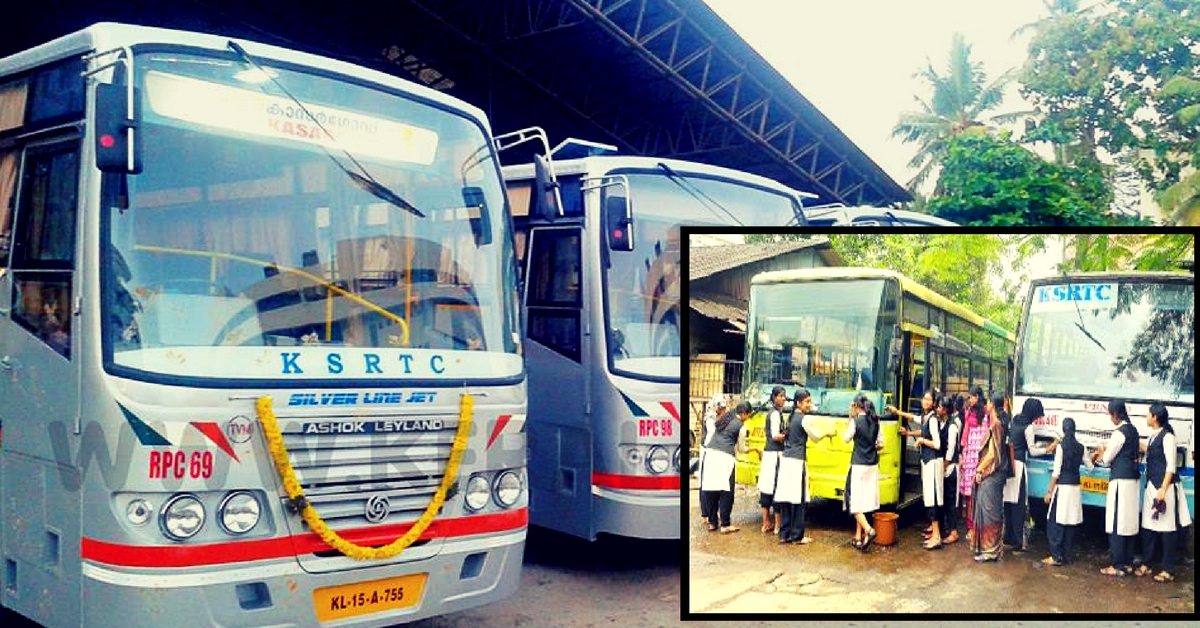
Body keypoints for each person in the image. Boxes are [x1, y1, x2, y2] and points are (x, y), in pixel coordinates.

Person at [1133, 403, 1192, 582]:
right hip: (1152, 486)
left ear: (1155, 417)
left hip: (1164, 489)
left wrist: (1163, 490)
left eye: (1148, 414)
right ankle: (1147, 563)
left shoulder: (1168, 438)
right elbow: (1150, 451)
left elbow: (1171, 467)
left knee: (1168, 530)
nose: (1146, 416)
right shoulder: (1153, 436)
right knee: (1149, 528)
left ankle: (1169, 569)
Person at [775, 388, 833, 545]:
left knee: (786, 498)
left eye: (810, 401)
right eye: (807, 401)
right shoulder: (804, 419)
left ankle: (784, 534)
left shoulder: (791, 417)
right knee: (800, 500)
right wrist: (826, 433)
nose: (809, 404)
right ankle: (797, 536)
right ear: (799, 403)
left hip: (786, 460)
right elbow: (814, 437)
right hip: (797, 462)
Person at [1090, 399, 1141, 577]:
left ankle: (1117, 565)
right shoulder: (1134, 430)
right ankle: (1127, 562)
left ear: (1116, 414)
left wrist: (1101, 451)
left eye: (1110, 414)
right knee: (1129, 522)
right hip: (1133, 480)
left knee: (1117, 522)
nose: (1110, 418)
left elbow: (1107, 458)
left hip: (1120, 481)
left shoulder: (1119, 433)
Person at [892, 389, 944, 549]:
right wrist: (898, 414)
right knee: (929, 498)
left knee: (932, 499)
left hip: (933, 462)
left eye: (929, 399)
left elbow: (937, 444)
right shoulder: (926, 417)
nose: (926, 401)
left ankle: (937, 536)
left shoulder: (933, 419)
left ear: (934, 403)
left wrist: (921, 440)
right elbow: (914, 419)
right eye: (924, 398)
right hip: (927, 462)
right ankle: (935, 534)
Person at [1003, 397, 1053, 552]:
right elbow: (1031, 450)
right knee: (1018, 505)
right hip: (1018, 466)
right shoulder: (1029, 427)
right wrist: (1048, 448)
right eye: (1037, 415)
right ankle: (1018, 542)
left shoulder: (1014, 420)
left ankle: (1008, 537)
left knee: (1008, 503)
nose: (1038, 418)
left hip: (1008, 464)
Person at [699, 402, 752, 534]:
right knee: (726, 492)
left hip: (710, 454)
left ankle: (712, 523)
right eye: (749, 415)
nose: (748, 418)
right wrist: (754, 449)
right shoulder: (741, 427)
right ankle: (725, 524)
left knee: (710, 489)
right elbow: (740, 448)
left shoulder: (724, 419)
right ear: (744, 413)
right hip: (725, 458)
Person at [1042, 417, 1088, 566]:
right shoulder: (1082, 447)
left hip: (1062, 488)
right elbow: (1090, 466)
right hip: (1075, 489)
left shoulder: (1061, 447)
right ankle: (1067, 556)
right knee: (1070, 522)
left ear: (1063, 429)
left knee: (1055, 521)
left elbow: (1056, 472)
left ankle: (1056, 556)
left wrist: (1049, 491)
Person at [971, 390, 1009, 563]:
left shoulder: (996, 425)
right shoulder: (999, 423)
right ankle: (989, 549)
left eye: (987, 403)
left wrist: (979, 469)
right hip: (995, 475)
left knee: (990, 512)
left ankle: (991, 550)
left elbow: (993, 454)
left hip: (992, 474)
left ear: (992, 405)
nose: (985, 405)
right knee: (989, 510)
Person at [843, 393, 884, 551]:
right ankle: (858, 537)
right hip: (872, 465)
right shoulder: (876, 421)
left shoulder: (855, 421)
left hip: (858, 465)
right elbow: (881, 443)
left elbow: (846, 438)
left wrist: (849, 418)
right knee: (865, 501)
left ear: (855, 406)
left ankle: (869, 530)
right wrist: (870, 447)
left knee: (855, 502)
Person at [959, 385, 988, 543]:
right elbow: (965, 433)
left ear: (977, 396)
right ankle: (971, 528)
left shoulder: (987, 413)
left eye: (971, 397)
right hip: (970, 455)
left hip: (982, 456)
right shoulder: (969, 412)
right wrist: (962, 453)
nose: (969, 400)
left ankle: (979, 528)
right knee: (969, 496)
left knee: (981, 494)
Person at [758, 386, 787, 534]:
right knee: (777, 487)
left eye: (784, 396)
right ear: (774, 397)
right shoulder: (775, 414)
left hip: (768, 453)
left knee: (766, 487)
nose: (783, 399)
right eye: (781, 396)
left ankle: (765, 523)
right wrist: (787, 435)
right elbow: (776, 435)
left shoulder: (770, 413)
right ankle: (777, 525)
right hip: (776, 454)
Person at [697, 392, 727, 521]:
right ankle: (706, 514)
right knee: (705, 481)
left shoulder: (716, 416)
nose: (723, 410)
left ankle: (711, 514)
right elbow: (711, 435)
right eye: (721, 408)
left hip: (713, 450)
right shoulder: (710, 418)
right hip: (707, 450)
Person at [938, 395, 962, 545]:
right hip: (946, 467)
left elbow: (951, 448)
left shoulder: (952, 426)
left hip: (951, 468)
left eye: (940, 407)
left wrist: (945, 465)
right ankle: (949, 528)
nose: (937, 409)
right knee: (947, 500)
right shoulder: (944, 422)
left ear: (945, 410)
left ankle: (954, 532)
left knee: (951, 501)